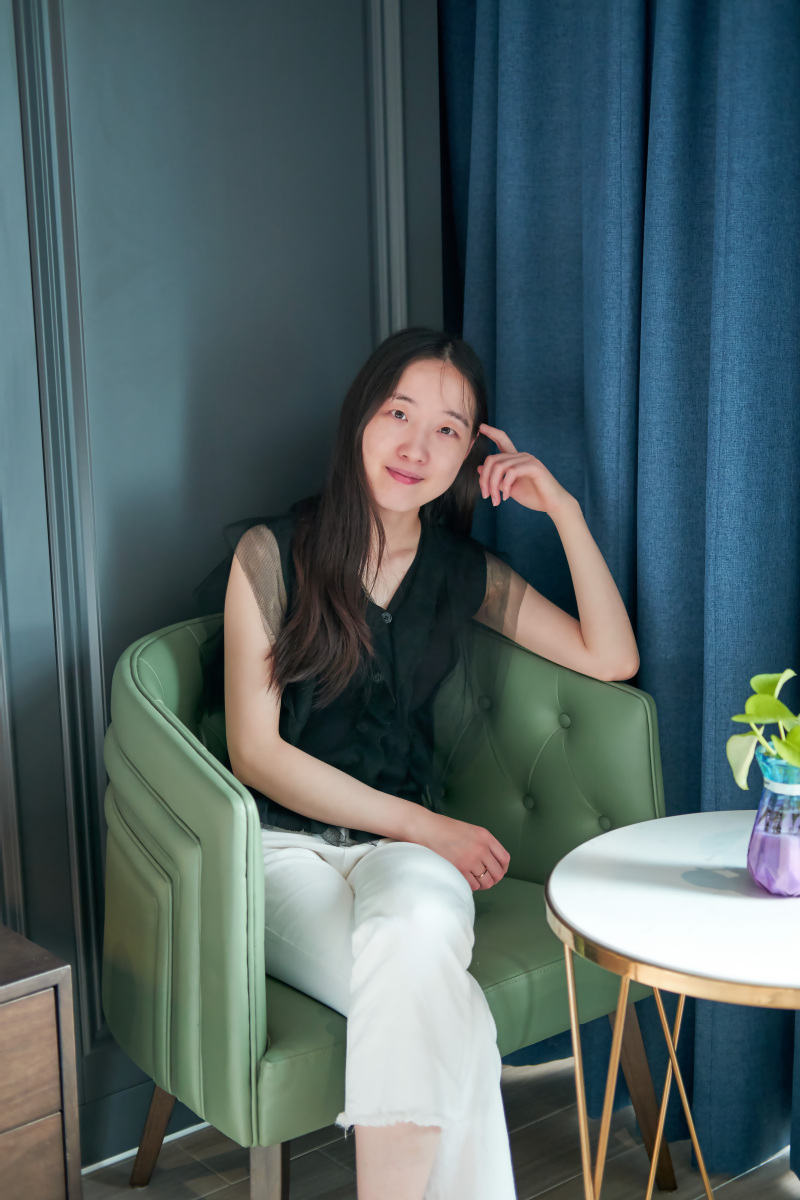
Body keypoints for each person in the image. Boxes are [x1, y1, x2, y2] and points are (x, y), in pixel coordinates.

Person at [222, 327, 639, 1200]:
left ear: (468, 457)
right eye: (398, 413)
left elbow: (610, 657)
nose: (417, 446)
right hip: (281, 853)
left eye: (448, 429)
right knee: (450, 1015)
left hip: (406, 859)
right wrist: (430, 828)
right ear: (359, 419)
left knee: (418, 946)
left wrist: (562, 509)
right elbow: (256, 754)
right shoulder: (271, 553)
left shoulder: (461, 572)